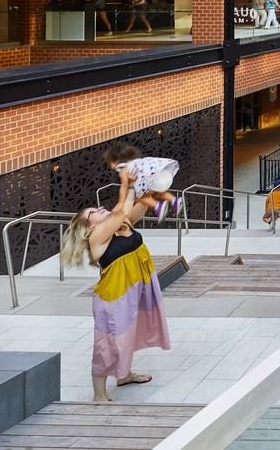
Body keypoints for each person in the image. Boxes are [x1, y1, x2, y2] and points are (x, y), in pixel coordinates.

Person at [61, 167, 171, 401]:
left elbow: (139, 205)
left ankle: (124, 375)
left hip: (133, 290)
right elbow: (121, 211)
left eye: (98, 207)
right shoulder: (97, 237)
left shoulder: (124, 224)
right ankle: (99, 395)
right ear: (89, 226)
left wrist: (153, 188)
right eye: (93, 212)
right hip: (113, 298)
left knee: (128, 335)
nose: (100, 209)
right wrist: (127, 186)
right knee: (107, 344)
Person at [103, 140, 181, 222]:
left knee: (138, 197)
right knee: (156, 193)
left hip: (156, 180)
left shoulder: (123, 169)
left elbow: (124, 186)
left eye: (109, 162)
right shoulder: (135, 162)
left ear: (115, 160)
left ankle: (157, 206)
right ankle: (174, 200)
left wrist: (121, 202)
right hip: (165, 176)